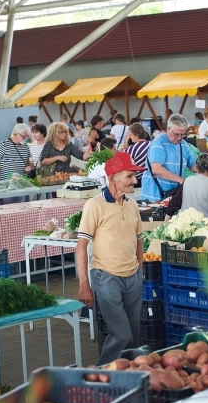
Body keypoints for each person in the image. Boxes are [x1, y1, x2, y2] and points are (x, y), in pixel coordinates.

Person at [76, 152, 146, 365]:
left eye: (134, 176)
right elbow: (81, 247)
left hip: (132, 277)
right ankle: (101, 373)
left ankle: (126, 375)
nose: (135, 181)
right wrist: (84, 285)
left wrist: (139, 271)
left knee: (133, 337)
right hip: (106, 277)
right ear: (114, 177)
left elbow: (139, 240)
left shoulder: (132, 205)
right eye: (129, 176)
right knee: (122, 335)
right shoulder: (94, 205)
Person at [141, 114, 197, 202]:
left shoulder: (184, 145)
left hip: (172, 195)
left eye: (183, 135)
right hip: (154, 196)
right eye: (176, 134)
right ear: (168, 128)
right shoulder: (158, 142)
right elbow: (156, 169)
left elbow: (193, 167)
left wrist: (206, 167)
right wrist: (180, 180)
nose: (180, 138)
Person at [165, 153, 208, 219]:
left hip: (185, 223)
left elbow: (174, 204)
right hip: (206, 225)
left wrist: (165, 222)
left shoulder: (187, 181)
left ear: (196, 168)